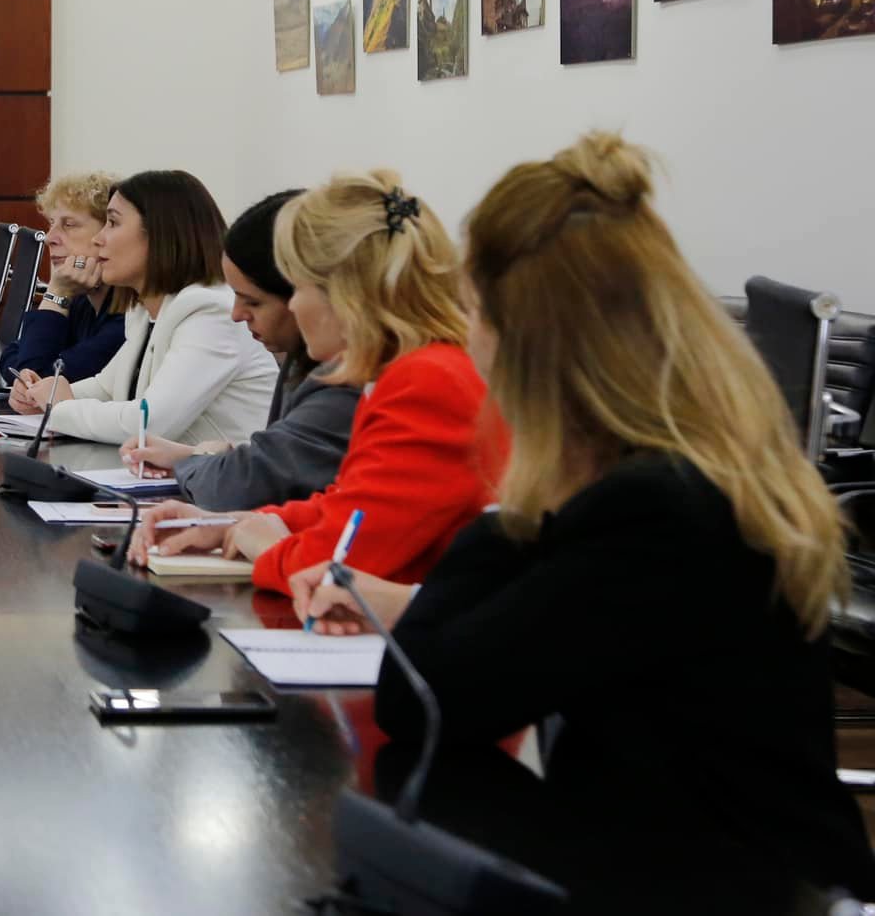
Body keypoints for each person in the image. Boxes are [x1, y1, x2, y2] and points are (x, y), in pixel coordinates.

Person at [288, 133, 875, 898]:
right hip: (709, 864)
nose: (466, 338)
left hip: (732, 889)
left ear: (525, 341)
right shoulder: (691, 470)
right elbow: (545, 632)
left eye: (473, 312)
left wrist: (514, 493)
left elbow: (423, 696)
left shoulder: (652, 510)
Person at [130, 170, 493, 596]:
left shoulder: (426, 383)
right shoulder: (412, 370)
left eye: (298, 288)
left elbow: (336, 566)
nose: (295, 306)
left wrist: (266, 545)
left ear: (343, 294)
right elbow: (347, 506)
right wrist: (232, 524)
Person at [119, 189, 361, 509]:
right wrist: (197, 457)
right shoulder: (305, 358)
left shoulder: (347, 378)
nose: (236, 314)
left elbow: (249, 484)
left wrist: (196, 461)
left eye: (253, 302)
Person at [13, 170, 275, 446]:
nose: (99, 239)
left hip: (229, 474)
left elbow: (149, 423)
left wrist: (59, 408)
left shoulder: (210, 311)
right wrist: (41, 394)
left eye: (112, 223)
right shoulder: (143, 311)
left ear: (161, 234)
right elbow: (107, 388)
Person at [0, 171, 128, 387]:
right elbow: (13, 356)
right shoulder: (81, 299)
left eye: (69, 224)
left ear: (107, 232)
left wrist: (56, 292)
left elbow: (37, 378)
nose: (49, 238)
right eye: (51, 223)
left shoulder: (127, 319)